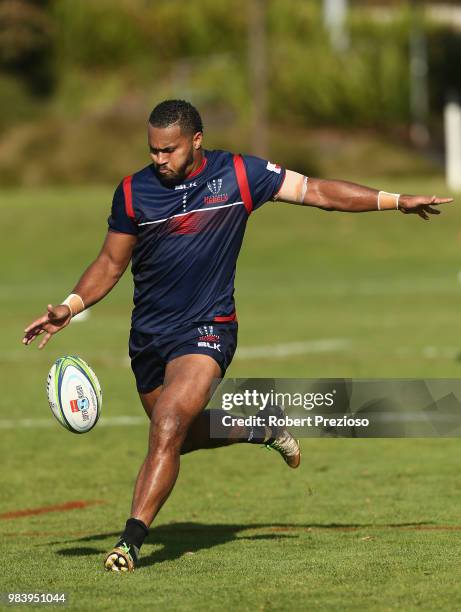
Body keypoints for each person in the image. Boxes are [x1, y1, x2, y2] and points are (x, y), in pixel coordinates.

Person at [22, 99, 453, 572]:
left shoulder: (240, 175)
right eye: (152, 150)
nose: (158, 160)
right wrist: (70, 306)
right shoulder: (132, 193)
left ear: (196, 141)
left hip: (209, 328)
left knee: (168, 425)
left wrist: (393, 201)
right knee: (177, 437)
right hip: (148, 337)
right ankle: (258, 426)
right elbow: (109, 264)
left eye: (168, 150)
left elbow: (317, 191)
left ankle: (130, 542)